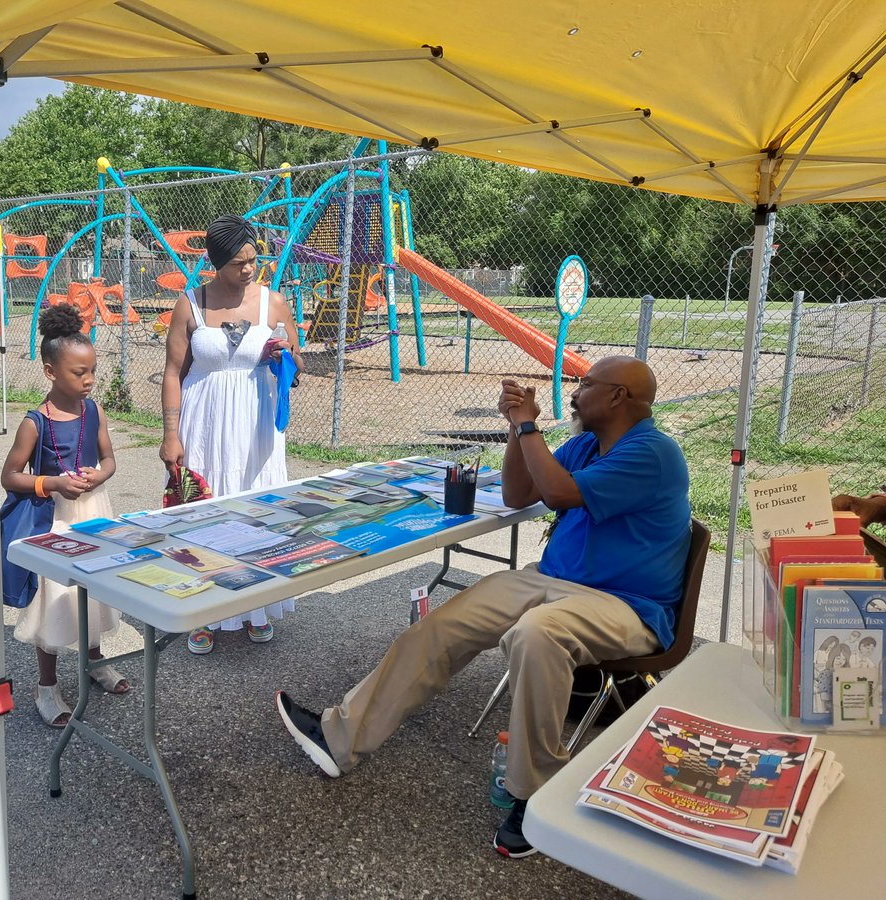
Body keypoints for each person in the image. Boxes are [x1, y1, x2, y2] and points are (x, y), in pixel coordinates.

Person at [275, 356, 691, 859]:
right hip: (552, 580)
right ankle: (339, 738)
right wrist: (516, 428)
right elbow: (519, 493)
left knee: (537, 634)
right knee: (443, 625)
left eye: (585, 384)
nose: (575, 392)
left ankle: (535, 796)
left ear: (618, 396)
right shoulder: (587, 443)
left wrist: (530, 426)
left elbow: (559, 492)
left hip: (626, 604)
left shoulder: (654, 453)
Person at [160, 215, 304, 655]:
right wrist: (170, 435)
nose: (249, 269)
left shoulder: (273, 303)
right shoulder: (190, 304)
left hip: (256, 426)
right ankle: (205, 612)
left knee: (256, 514)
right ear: (215, 262)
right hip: (203, 425)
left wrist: (286, 355)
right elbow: (173, 373)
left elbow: (298, 365)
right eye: (238, 263)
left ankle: (256, 607)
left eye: (253, 260)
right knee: (207, 514)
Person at [1, 304, 129, 728]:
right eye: (79, 372)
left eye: (92, 370)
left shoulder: (95, 411)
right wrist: (53, 483)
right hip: (53, 520)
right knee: (55, 599)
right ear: (50, 371)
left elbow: (109, 460)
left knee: (93, 591)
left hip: (94, 512)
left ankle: (94, 662)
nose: (89, 380)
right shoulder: (34, 423)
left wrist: (99, 475)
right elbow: (9, 476)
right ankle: (46, 686)